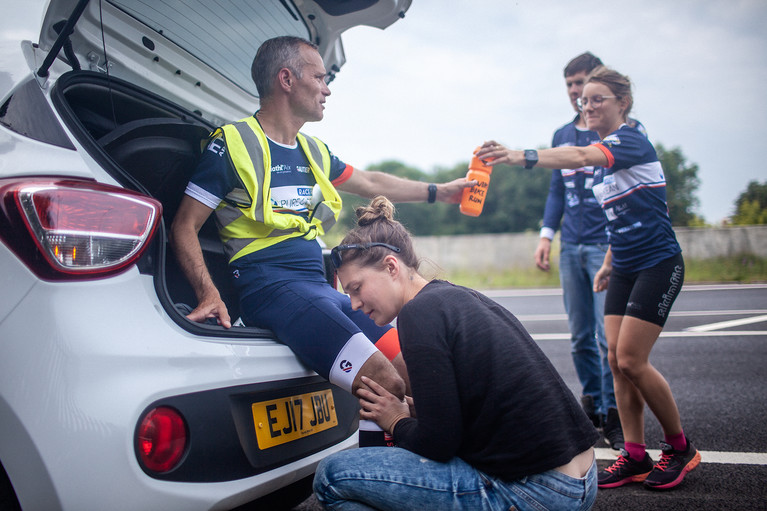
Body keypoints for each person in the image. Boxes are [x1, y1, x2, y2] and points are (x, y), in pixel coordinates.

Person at [170, 36, 473, 445]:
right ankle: (377, 478)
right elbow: (184, 225)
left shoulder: (312, 150)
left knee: (414, 369)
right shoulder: (233, 143)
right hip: (272, 291)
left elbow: (370, 182)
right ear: (287, 79)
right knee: (385, 381)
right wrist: (208, 293)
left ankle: (425, 462)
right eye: (320, 77)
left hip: (320, 289)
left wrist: (441, 191)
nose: (327, 89)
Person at [476, 66, 701, 491]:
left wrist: (516, 155)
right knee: (614, 359)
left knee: (632, 359)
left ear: (623, 103)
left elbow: (578, 156)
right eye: (584, 101)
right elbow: (627, 214)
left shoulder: (629, 140)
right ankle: (634, 454)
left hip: (658, 263)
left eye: (598, 99)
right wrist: (609, 263)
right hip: (626, 265)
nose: (588, 105)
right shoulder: (606, 159)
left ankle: (680, 447)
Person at [313, 196, 599, 510]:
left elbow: (438, 444)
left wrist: (395, 420)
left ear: (391, 266)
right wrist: (416, 410)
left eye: (356, 288)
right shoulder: (455, 296)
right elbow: (467, 409)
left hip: (537, 491)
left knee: (331, 477)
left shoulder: (418, 314)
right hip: (582, 477)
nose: (353, 304)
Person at [536, 52, 640, 451]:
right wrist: (547, 235)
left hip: (606, 245)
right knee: (580, 336)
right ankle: (594, 404)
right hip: (572, 244)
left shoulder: (620, 130)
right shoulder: (562, 134)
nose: (577, 93)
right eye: (570, 85)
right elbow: (557, 190)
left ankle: (616, 414)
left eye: (583, 83)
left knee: (607, 339)